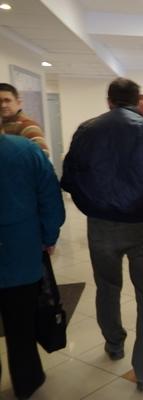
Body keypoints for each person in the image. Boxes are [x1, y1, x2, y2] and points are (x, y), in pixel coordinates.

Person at [61, 77, 143, 391]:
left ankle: (114, 343)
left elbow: (69, 179)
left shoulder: (86, 130)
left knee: (107, 286)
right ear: (139, 102)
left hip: (101, 225)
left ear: (109, 101)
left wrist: (92, 207)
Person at [0, 133, 65, 399]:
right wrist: (48, 237)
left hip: (20, 251)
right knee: (21, 325)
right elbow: (51, 199)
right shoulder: (26, 151)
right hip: (21, 252)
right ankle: (27, 380)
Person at [0, 83, 49, 155]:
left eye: (7, 100)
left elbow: (42, 154)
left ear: (18, 102)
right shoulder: (3, 124)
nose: (3, 105)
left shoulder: (27, 125)